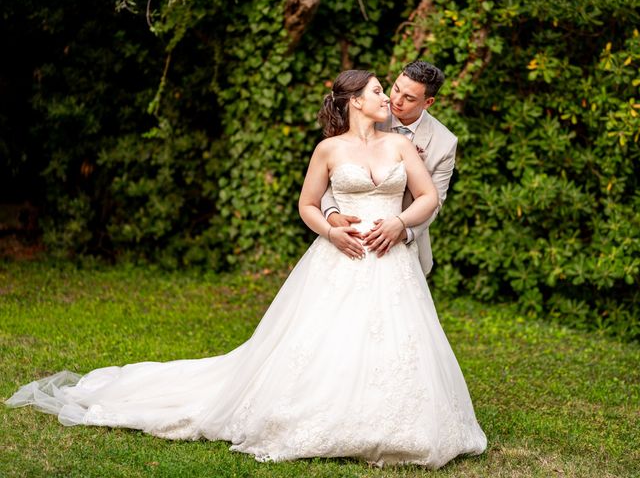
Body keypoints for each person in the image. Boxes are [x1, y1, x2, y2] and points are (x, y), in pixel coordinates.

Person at [5, 70, 486, 469]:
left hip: (391, 260)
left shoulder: (404, 148)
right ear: (356, 103)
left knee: (399, 343)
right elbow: (308, 204)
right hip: (340, 255)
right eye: (380, 90)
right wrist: (331, 229)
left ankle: (401, 422)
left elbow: (428, 198)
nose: (388, 97)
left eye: (393, 91)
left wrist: (399, 222)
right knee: (322, 341)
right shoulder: (329, 150)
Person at [321, 61, 456, 275]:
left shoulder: (444, 142)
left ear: (428, 102)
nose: (396, 101)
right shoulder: (370, 112)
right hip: (350, 236)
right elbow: (335, 173)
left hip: (402, 243)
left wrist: (402, 231)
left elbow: (434, 201)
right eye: (396, 89)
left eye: (409, 98)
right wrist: (331, 213)